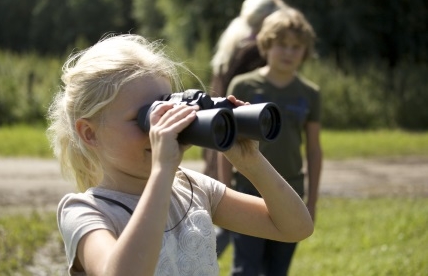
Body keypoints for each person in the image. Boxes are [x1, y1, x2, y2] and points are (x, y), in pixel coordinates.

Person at [47, 34, 313, 276]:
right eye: (148, 117)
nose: (165, 126)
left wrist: (252, 163)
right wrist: (162, 171)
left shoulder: (194, 188)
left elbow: (295, 228)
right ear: (90, 133)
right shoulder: (85, 211)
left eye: (169, 108)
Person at [220, 8, 323, 275]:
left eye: (296, 47)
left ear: (305, 51)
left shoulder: (310, 93)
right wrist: (223, 191)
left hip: (290, 189)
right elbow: (225, 142)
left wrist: (311, 201)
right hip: (247, 189)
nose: (289, 52)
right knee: (246, 267)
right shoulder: (243, 86)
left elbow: (313, 150)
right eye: (281, 45)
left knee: (278, 269)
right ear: (266, 44)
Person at [203, 0, 287, 257]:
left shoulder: (231, 46)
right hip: (241, 139)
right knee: (236, 223)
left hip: (218, 133)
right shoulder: (256, 51)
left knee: (222, 216)